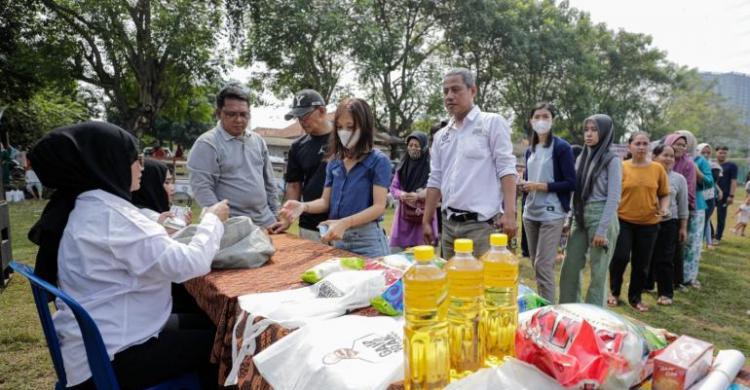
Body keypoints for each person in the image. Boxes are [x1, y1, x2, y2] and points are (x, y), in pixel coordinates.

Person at [27, 121, 229, 389]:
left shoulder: (85, 208)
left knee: (210, 322)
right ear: (110, 163)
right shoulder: (114, 217)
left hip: (96, 345)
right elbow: (191, 264)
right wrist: (212, 220)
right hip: (113, 357)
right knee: (224, 342)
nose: (142, 168)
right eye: (135, 159)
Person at [422, 68, 517, 259]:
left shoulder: (491, 123)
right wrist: (427, 219)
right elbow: (435, 179)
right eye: (445, 91)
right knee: (454, 283)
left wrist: (510, 213)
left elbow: (506, 169)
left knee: (484, 285)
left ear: (473, 90)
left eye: (456, 90)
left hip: (482, 227)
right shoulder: (442, 136)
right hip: (449, 225)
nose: (449, 96)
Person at [279, 98, 391, 258]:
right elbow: (325, 202)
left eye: (351, 126)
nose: (344, 132)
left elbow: (379, 207)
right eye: (339, 127)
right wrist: (303, 207)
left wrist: (345, 223)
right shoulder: (334, 161)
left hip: (368, 241)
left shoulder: (378, 161)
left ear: (364, 127)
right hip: (338, 238)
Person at [188, 84, 280, 229]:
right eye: (231, 114)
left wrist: (275, 214)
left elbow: (269, 182)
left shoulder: (257, 141)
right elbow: (202, 188)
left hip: (266, 221)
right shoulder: (207, 144)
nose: (238, 120)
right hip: (232, 225)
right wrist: (221, 223)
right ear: (219, 113)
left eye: (244, 114)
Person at [559, 115, 621, 307]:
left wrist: (602, 230)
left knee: (598, 272)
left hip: (602, 215)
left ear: (604, 133)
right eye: (587, 129)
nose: (589, 134)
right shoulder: (582, 158)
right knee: (569, 267)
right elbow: (574, 191)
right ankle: (569, 310)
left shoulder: (612, 160)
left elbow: (613, 196)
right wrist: (568, 219)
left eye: (594, 130)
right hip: (579, 215)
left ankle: (595, 318)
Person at [519, 102, 575, 303]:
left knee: (544, 266)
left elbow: (570, 182)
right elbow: (528, 178)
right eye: (537, 117)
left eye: (546, 117)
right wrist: (523, 185)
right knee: (536, 264)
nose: (541, 121)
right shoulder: (530, 150)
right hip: (530, 213)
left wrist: (539, 186)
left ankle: (550, 312)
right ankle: (542, 306)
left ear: (552, 121)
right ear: (531, 121)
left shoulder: (562, 147)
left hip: (552, 213)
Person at [608, 132, 669, 312]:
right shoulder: (621, 167)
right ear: (630, 146)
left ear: (649, 146)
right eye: (638, 143)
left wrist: (664, 208)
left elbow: (664, 194)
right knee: (620, 258)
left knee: (642, 263)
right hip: (623, 220)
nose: (641, 147)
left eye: (645, 144)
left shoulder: (658, 169)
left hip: (649, 223)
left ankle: (635, 298)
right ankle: (614, 292)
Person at [273, 89, 332, 238]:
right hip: (309, 223)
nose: (301, 122)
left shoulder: (345, 140)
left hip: (341, 222)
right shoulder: (297, 147)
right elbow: (294, 185)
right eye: (298, 117)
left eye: (305, 115)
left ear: (322, 111)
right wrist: (287, 218)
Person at [646, 144, 688, 306]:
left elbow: (683, 205)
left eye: (672, 156)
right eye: (665, 155)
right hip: (646, 222)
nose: (669, 159)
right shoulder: (646, 174)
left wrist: (683, 227)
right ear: (655, 156)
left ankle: (665, 292)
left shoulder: (679, 179)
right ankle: (646, 284)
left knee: (665, 258)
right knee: (645, 255)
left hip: (669, 223)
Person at [675, 130, 713, 289]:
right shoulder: (670, 157)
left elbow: (710, 183)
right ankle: (672, 276)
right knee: (675, 242)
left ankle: (688, 277)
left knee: (692, 244)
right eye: (678, 141)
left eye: (684, 142)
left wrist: (697, 173)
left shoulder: (700, 160)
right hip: (675, 206)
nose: (681, 145)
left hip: (696, 206)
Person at [389, 132, 437, 252]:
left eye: (417, 145)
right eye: (410, 145)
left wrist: (418, 196)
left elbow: (435, 188)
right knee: (396, 253)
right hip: (403, 216)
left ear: (424, 147)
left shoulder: (432, 167)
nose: (413, 148)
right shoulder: (402, 167)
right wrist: (402, 195)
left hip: (424, 214)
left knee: (424, 254)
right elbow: (393, 188)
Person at [697, 143, 719, 249]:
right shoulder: (693, 163)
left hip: (709, 197)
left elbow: (713, 182)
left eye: (708, 152)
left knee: (706, 220)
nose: (706, 155)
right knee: (701, 221)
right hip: (698, 196)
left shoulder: (714, 166)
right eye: (703, 152)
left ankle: (706, 243)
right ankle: (705, 243)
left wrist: (719, 190)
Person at [714, 146, 737, 244]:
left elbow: (733, 181)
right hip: (711, 193)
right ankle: (710, 233)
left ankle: (718, 237)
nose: (722, 155)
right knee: (705, 214)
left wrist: (731, 195)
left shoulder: (732, 166)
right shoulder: (712, 165)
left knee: (721, 216)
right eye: (720, 152)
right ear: (716, 153)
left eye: (724, 153)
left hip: (725, 195)